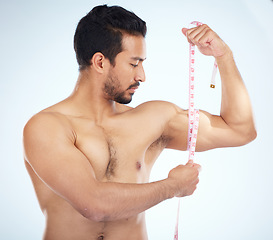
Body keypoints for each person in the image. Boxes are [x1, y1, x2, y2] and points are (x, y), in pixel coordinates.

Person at [23, 4, 256, 240]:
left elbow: (239, 130)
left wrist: (223, 56)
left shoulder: (152, 119)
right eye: (134, 64)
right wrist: (172, 187)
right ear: (100, 62)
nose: (142, 76)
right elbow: (93, 204)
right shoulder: (46, 127)